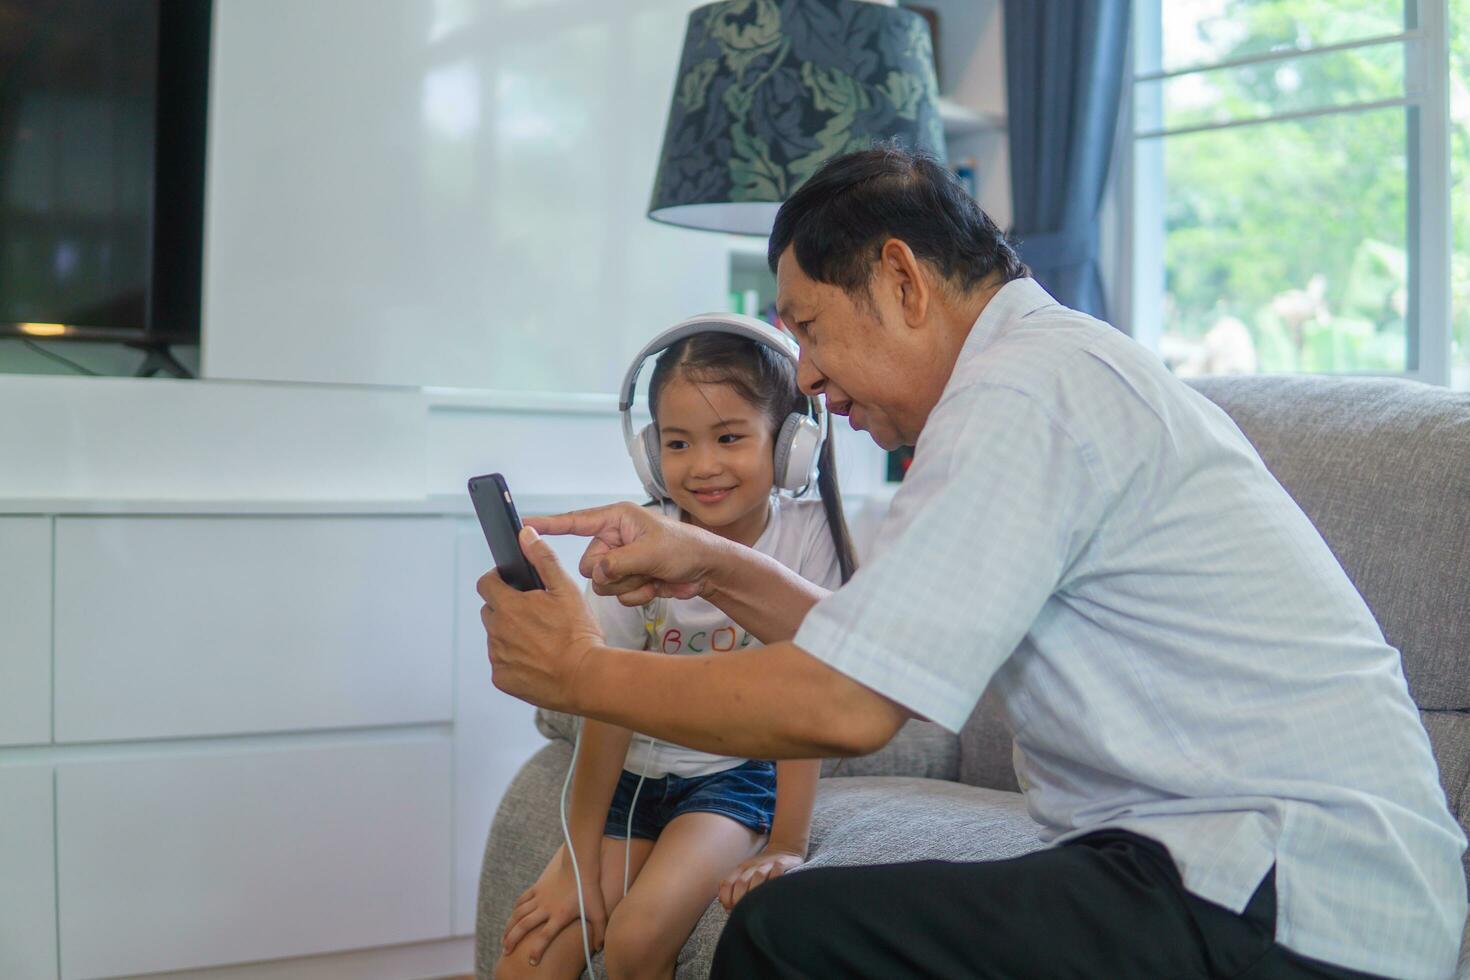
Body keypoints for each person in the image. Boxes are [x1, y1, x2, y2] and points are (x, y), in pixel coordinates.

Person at [478, 145, 1467, 978]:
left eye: (811, 327)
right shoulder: (1035, 374)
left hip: (1288, 888)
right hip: (1254, 870)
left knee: (794, 933)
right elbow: (873, 644)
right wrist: (708, 561)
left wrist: (583, 670)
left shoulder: (1021, 397)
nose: (809, 376)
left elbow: (847, 703)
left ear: (904, 280)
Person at [494, 326, 858, 979]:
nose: (703, 465)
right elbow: (604, 702)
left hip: (731, 782)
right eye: (678, 443)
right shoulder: (636, 542)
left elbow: (809, 695)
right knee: (529, 958)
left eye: (729, 437)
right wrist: (574, 859)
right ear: (651, 455)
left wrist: (787, 843)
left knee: (635, 942)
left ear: (789, 446)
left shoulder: (808, 541)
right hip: (632, 777)